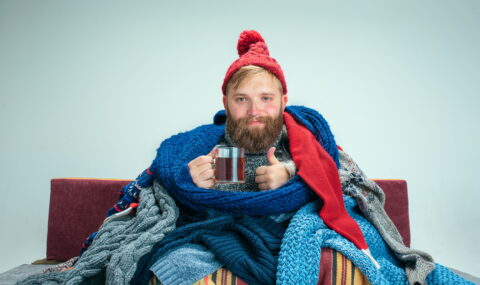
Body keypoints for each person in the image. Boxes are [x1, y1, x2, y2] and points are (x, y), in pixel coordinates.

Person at [19, 30, 475, 285]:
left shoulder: (309, 142)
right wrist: (188, 181)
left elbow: (352, 182)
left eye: (265, 98)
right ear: (226, 102)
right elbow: (150, 190)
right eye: (242, 99)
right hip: (221, 232)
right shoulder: (208, 148)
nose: (255, 111)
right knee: (175, 266)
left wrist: (295, 173)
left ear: (282, 101)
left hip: (297, 230)